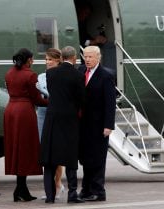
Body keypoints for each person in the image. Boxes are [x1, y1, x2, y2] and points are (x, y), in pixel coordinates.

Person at [40, 46, 85, 204]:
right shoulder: (78, 75)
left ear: (61, 57)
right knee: (70, 157)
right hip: (70, 119)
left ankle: (50, 196)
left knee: (49, 158)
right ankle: (72, 194)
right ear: (73, 58)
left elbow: (52, 92)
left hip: (52, 118)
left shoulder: (50, 73)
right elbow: (81, 99)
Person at [4, 48, 48, 202]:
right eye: (32, 59)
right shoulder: (30, 75)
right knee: (25, 149)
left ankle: (20, 189)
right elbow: (37, 99)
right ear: (29, 60)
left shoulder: (9, 73)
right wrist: (53, 102)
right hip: (24, 112)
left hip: (10, 110)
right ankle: (21, 189)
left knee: (16, 148)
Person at [78, 46, 116, 201]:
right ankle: (86, 189)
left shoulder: (105, 76)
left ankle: (98, 191)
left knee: (98, 158)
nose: (87, 59)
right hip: (83, 124)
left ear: (98, 58)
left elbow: (110, 103)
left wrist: (109, 125)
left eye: (90, 57)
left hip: (99, 125)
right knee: (86, 157)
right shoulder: (80, 72)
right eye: (85, 56)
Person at [36, 48, 65, 200]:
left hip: (57, 114)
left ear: (58, 61)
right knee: (45, 152)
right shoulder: (41, 76)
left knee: (57, 152)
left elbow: (56, 95)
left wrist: (44, 92)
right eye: (46, 59)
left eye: (50, 60)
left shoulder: (61, 75)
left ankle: (58, 184)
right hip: (42, 114)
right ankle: (49, 188)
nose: (47, 62)